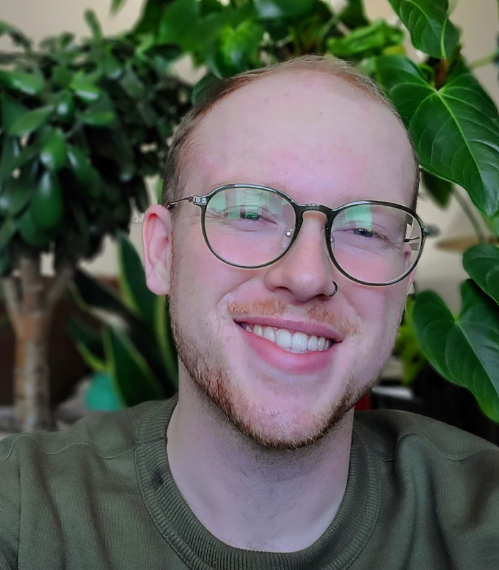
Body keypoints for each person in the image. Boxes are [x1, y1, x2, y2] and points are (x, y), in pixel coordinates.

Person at [1, 55, 498, 570]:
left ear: (407, 274)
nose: (307, 276)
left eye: (365, 229)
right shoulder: (23, 515)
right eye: (249, 212)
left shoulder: (482, 522)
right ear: (162, 252)